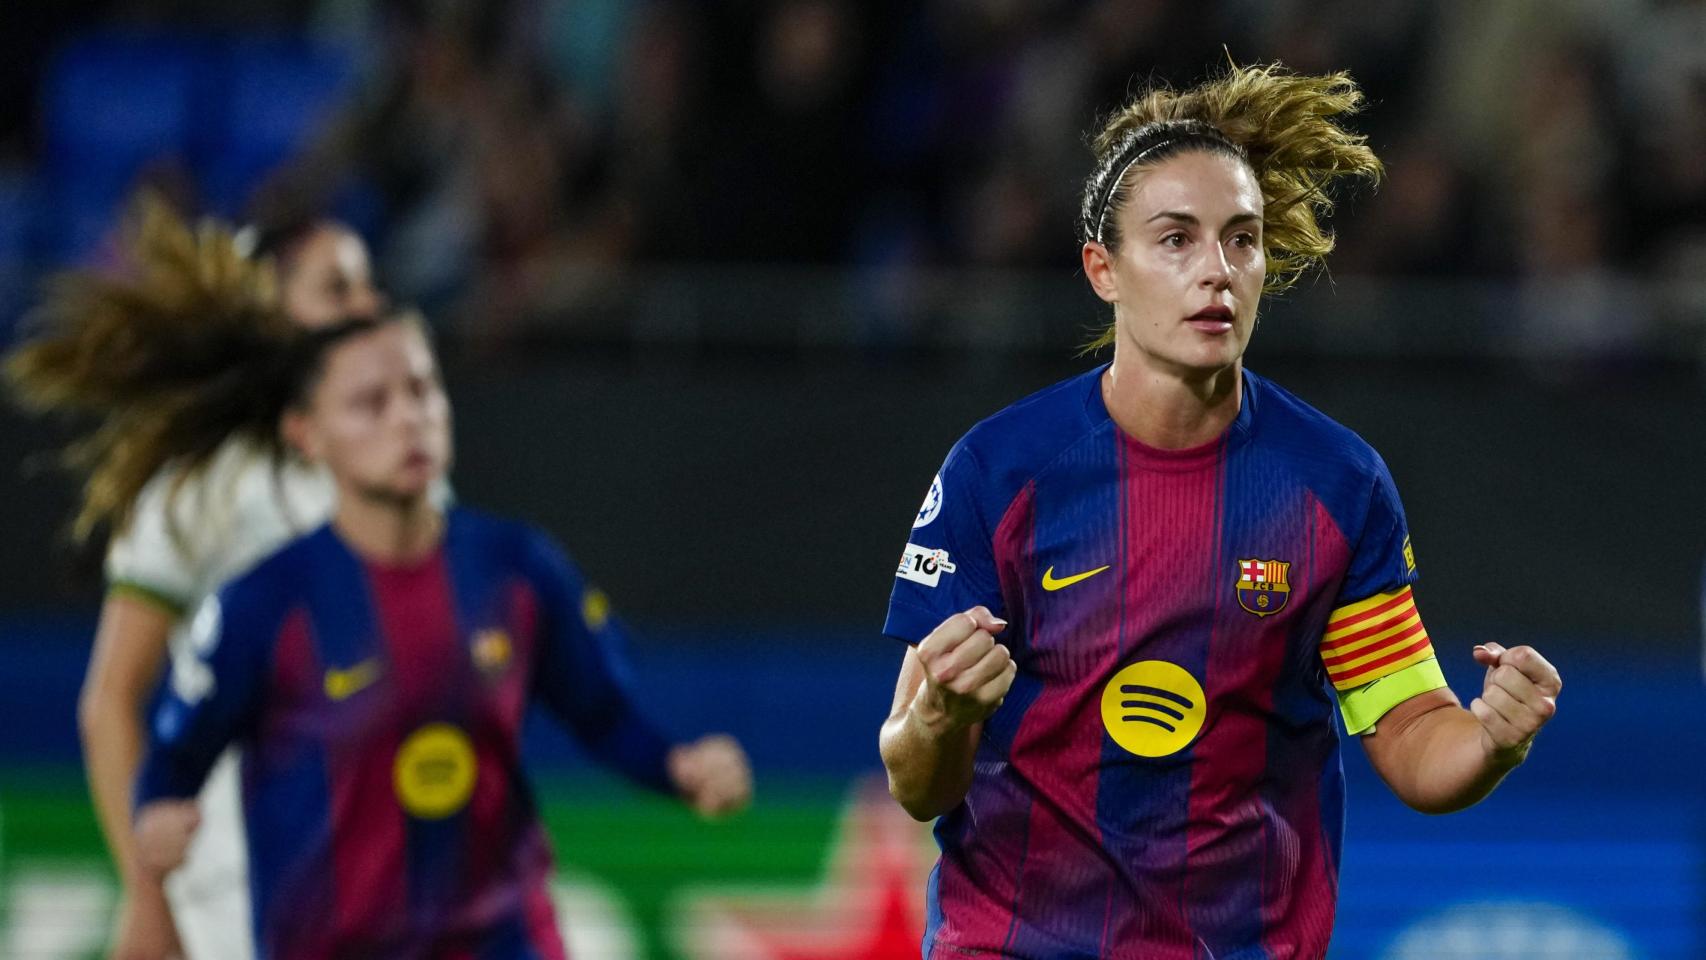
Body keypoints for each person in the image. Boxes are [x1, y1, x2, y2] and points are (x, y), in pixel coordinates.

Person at [877, 62, 1563, 958]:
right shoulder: (999, 474)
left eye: (1242, 241)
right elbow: (917, 778)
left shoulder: (1335, 485)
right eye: (1176, 240)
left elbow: (1412, 737)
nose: (1217, 271)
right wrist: (939, 718)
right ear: (1102, 270)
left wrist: (1491, 740)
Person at [117, 287, 750, 955]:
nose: (408, 418)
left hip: (501, 940)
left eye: (422, 390)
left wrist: (678, 767)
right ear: (305, 433)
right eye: (371, 403)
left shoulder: (517, 569)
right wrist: (156, 814)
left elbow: (602, 713)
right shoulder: (261, 605)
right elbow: (176, 755)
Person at [5, 198, 384, 960]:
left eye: (369, 285)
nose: (369, 307)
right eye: (337, 287)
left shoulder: (401, 475)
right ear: (270, 315)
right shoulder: (206, 489)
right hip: (239, 883)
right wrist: (150, 893)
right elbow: (110, 702)